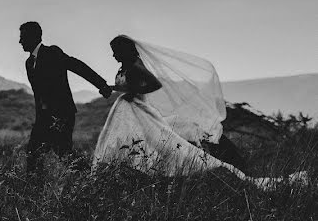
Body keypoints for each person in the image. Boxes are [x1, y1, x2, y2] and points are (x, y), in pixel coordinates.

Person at [93, 35, 308, 189]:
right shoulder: (125, 66)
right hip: (127, 109)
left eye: (115, 51)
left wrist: (131, 91)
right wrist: (115, 88)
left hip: (138, 108)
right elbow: (128, 85)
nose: (112, 55)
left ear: (123, 50)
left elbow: (154, 84)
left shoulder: (135, 65)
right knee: (131, 141)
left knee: (154, 142)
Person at [19, 21, 112, 174]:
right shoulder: (29, 63)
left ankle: (91, 176)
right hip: (43, 118)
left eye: (23, 37)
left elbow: (77, 66)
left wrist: (101, 84)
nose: (20, 41)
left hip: (62, 114)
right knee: (33, 153)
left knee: (64, 154)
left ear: (33, 37)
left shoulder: (52, 52)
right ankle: (34, 188)